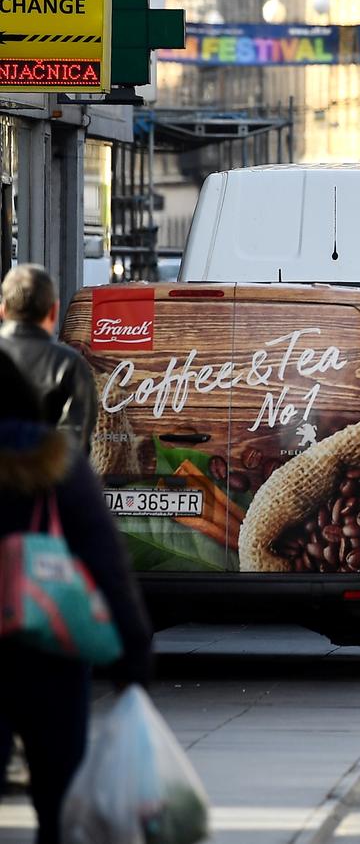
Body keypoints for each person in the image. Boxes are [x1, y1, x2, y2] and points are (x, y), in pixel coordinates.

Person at [0, 350, 152, 844]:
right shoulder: (58, 466)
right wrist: (133, 651)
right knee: (59, 797)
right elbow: (105, 559)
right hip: (51, 646)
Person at [0, 265, 97, 454]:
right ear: (53, 311)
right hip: (48, 476)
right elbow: (76, 440)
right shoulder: (69, 364)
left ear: (3, 310)